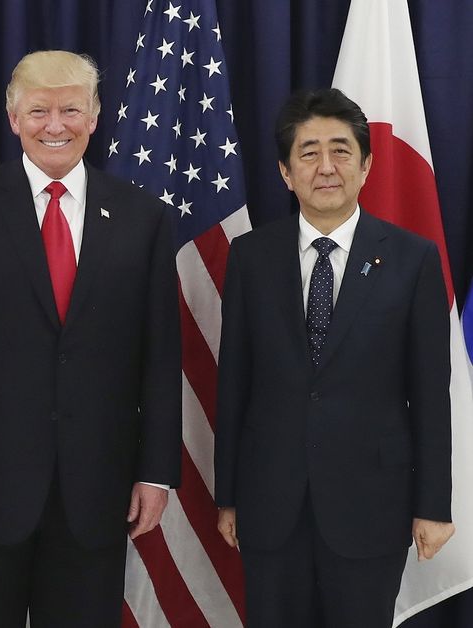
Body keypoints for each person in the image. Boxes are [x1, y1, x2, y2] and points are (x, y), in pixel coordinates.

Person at [0, 50, 182, 627]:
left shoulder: (143, 217)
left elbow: (159, 355)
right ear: (12, 118)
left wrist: (154, 471)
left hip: (97, 489)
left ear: (95, 115)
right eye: (38, 111)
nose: (54, 125)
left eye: (70, 110)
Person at [214, 87, 454, 627]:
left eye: (342, 150)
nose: (327, 166)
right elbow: (234, 382)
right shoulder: (250, 258)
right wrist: (227, 495)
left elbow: (431, 393)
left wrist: (434, 506)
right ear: (284, 171)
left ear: (366, 165)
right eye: (309, 151)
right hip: (270, 502)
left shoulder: (413, 259)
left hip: (373, 504)